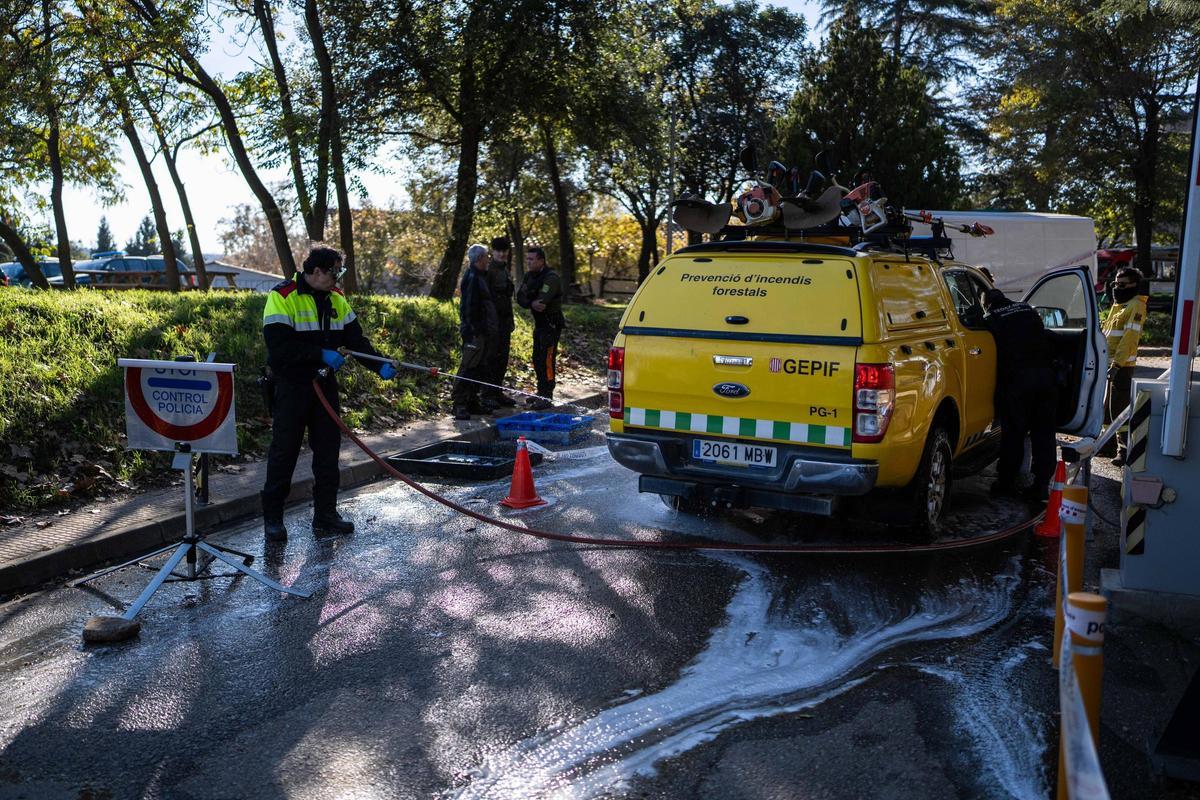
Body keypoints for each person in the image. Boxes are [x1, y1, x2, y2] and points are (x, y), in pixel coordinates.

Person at [260, 245, 397, 542]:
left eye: (341, 271)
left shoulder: (337, 299)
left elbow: (356, 340)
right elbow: (280, 348)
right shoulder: (282, 297)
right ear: (317, 271)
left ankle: (325, 514)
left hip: (324, 386)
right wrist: (319, 354)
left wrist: (379, 364)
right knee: (284, 452)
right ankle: (273, 519)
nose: (339, 278)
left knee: (327, 451)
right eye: (336, 271)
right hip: (292, 386)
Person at [983, 288, 1059, 502]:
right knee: (1044, 432)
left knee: (1014, 432)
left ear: (987, 304)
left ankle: (1006, 482)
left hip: (1017, 381)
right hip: (1045, 378)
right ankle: (1042, 484)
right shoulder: (1026, 308)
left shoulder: (992, 317)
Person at [1101, 267, 1149, 466]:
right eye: (1115, 284)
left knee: (1118, 409)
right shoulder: (1118, 305)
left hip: (1121, 366)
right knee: (1105, 409)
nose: (1117, 288)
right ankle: (1107, 445)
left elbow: (1129, 339)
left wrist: (1117, 365)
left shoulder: (1136, 305)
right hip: (1108, 364)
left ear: (1134, 285)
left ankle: (1124, 450)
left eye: (1122, 284)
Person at [452, 243, 499, 420]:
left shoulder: (482, 276)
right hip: (474, 333)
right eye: (487, 255)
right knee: (467, 367)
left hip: (484, 332)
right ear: (479, 258)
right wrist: (474, 330)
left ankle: (472, 401)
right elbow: (468, 308)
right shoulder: (472, 277)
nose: (489, 259)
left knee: (478, 369)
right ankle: (459, 404)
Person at [516, 246, 564, 410]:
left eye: (532, 259)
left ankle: (547, 395)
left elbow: (542, 303)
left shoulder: (551, 278)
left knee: (547, 359)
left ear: (541, 260)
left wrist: (531, 298)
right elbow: (520, 298)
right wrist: (530, 301)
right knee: (537, 358)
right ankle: (540, 391)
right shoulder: (530, 276)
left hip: (551, 324)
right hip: (540, 324)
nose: (528, 262)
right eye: (527, 259)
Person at [481, 236, 516, 408]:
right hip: (493, 321)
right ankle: (487, 394)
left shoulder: (504, 269)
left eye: (504, 251)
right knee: (491, 359)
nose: (502, 254)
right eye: (499, 251)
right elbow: (487, 299)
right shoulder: (490, 270)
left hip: (504, 320)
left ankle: (497, 391)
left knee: (502, 358)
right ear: (493, 251)